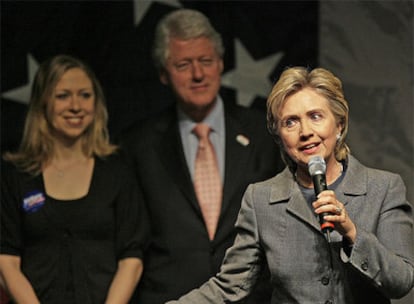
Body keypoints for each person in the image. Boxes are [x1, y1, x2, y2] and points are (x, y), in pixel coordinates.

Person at [165, 66, 414, 304]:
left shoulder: (383, 188)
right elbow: (231, 285)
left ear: (339, 124)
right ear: (279, 136)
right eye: (290, 122)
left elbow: (401, 281)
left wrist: (352, 232)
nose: (305, 131)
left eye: (316, 116)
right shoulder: (260, 199)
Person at [120, 8, 283, 304]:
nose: (198, 74)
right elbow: (130, 241)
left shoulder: (264, 135)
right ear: (163, 74)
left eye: (206, 61)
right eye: (183, 64)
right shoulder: (138, 145)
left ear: (220, 63)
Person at [0, 54, 148, 303]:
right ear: (43, 102)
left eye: (85, 95)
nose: (76, 106)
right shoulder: (17, 176)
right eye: (63, 96)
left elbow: (131, 259)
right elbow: (6, 260)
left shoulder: (117, 172)